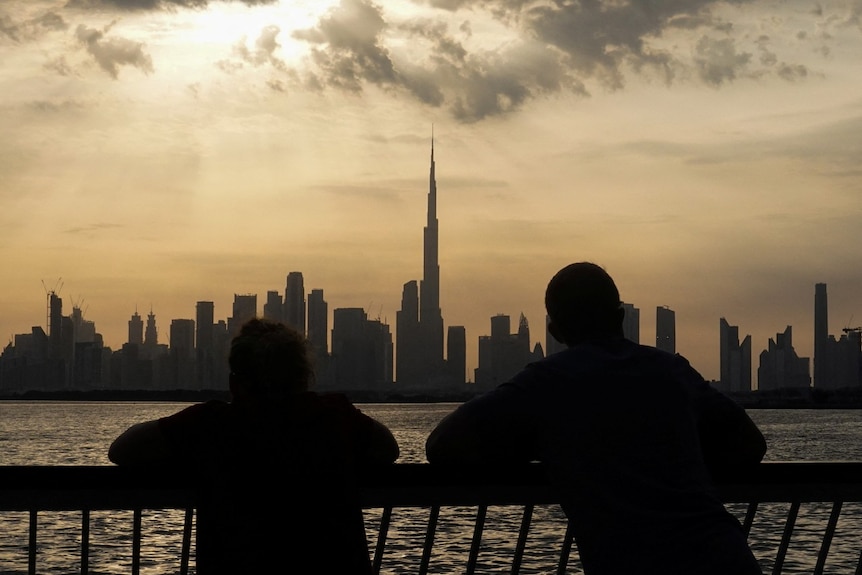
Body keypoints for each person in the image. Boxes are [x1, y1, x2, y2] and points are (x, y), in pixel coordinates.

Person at [425, 262, 766, 575]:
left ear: (554, 331)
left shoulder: (546, 383)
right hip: (728, 558)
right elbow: (750, 445)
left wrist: (546, 444)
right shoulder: (672, 370)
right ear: (620, 316)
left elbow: (441, 447)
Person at [109, 317, 399, 575]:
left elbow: (122, 450)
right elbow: (388, 450)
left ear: (236, 382)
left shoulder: (212, 423)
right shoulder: (335, 415)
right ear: (304, 376)